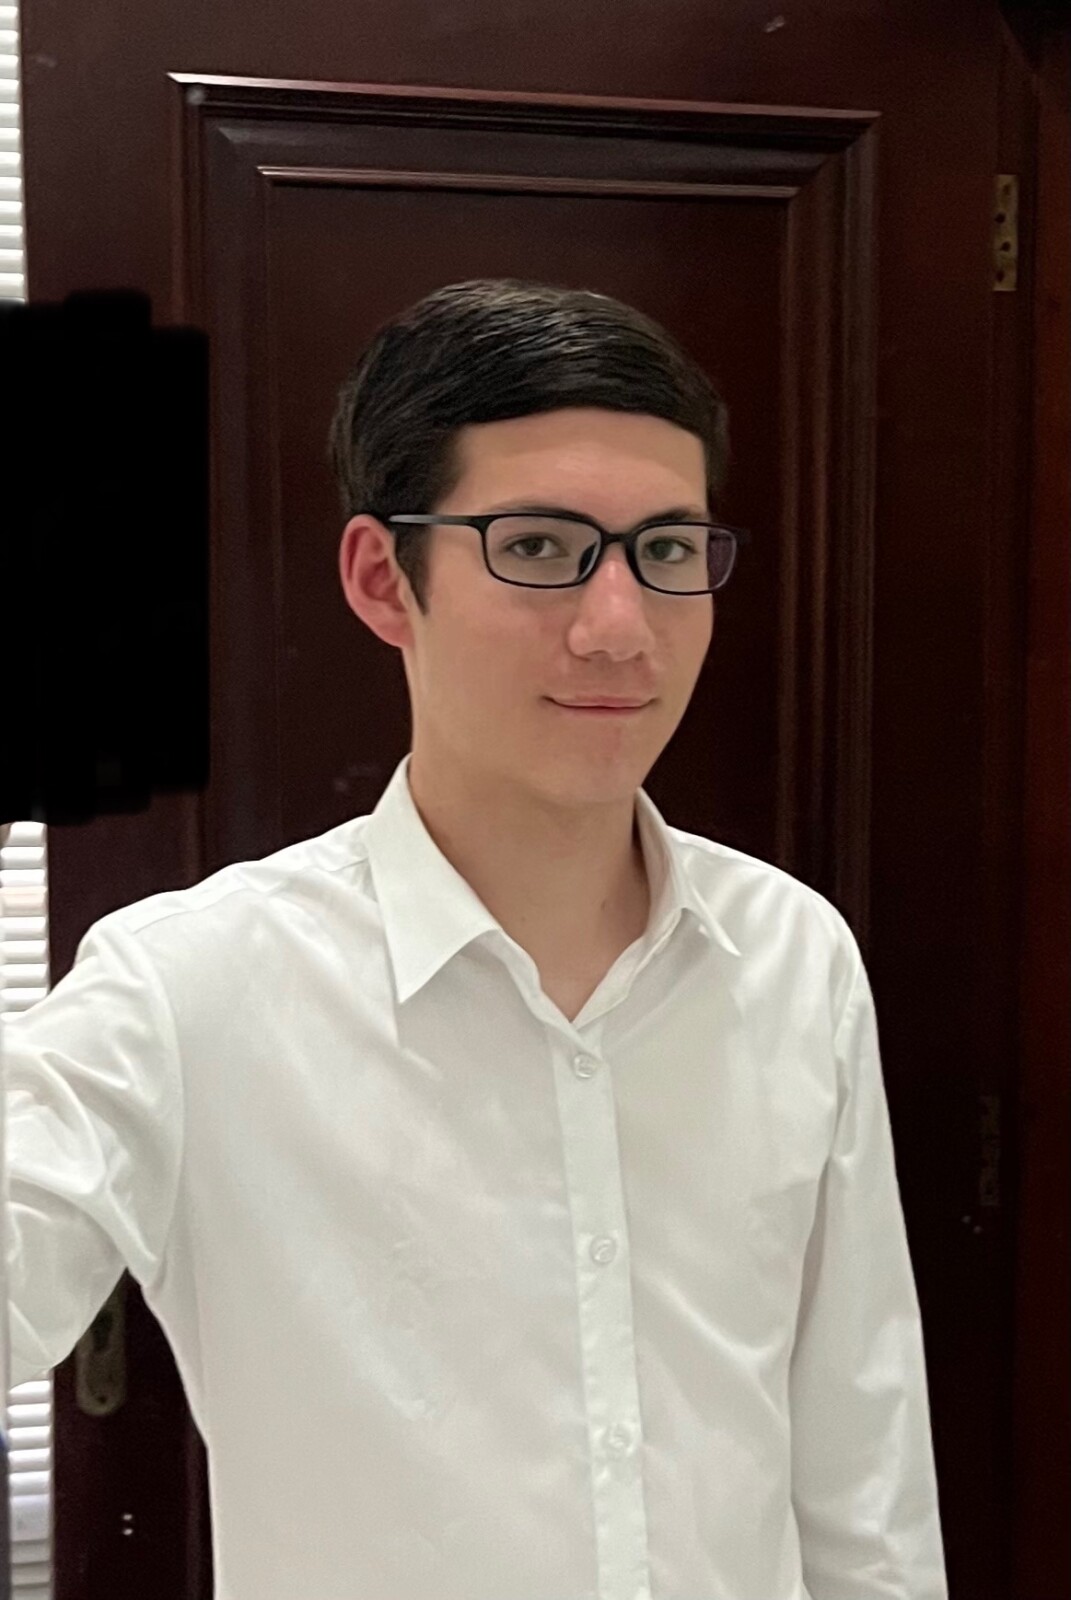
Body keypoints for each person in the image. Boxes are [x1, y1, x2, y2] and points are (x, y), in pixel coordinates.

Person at [3, 279, 948, 1600]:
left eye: (668, 551)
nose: (621, 626)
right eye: (541, 546)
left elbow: (863, 1471)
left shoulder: (796, 957)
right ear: (384, 579)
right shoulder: (191, 988)